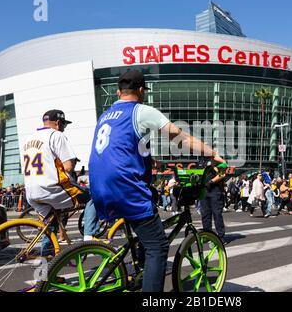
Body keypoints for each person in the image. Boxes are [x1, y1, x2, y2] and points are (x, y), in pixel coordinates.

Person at [88, 69, 225, 292]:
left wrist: (152, 161)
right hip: (124, 186)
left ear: (117, 92)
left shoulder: (106, 115)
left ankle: (141, 272)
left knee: (147, 225)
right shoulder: (141, 111)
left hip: (99, 185)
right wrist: (211, 153)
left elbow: (120, 148)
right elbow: (180, 137)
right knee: (158, 246)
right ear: (141, 90)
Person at [22, 110, 100, 248]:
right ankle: (89, 236)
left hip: (31, 191)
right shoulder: (56, 135)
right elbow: (68, 166)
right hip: (52, 188)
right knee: (94, 196)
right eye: (64, 124)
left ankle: (47, 257)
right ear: (58, 123)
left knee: (49, 226)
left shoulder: (28, 139)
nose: (64, 128)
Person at [201, 161, 227, 240]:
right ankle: (207, 235)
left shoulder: (220, 162)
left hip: (215, 191)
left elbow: (222, 174)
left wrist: (211, 181)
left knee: (217, 214)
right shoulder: (202, 161)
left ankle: (221, 237)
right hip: (204, 190)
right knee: (205, 215)